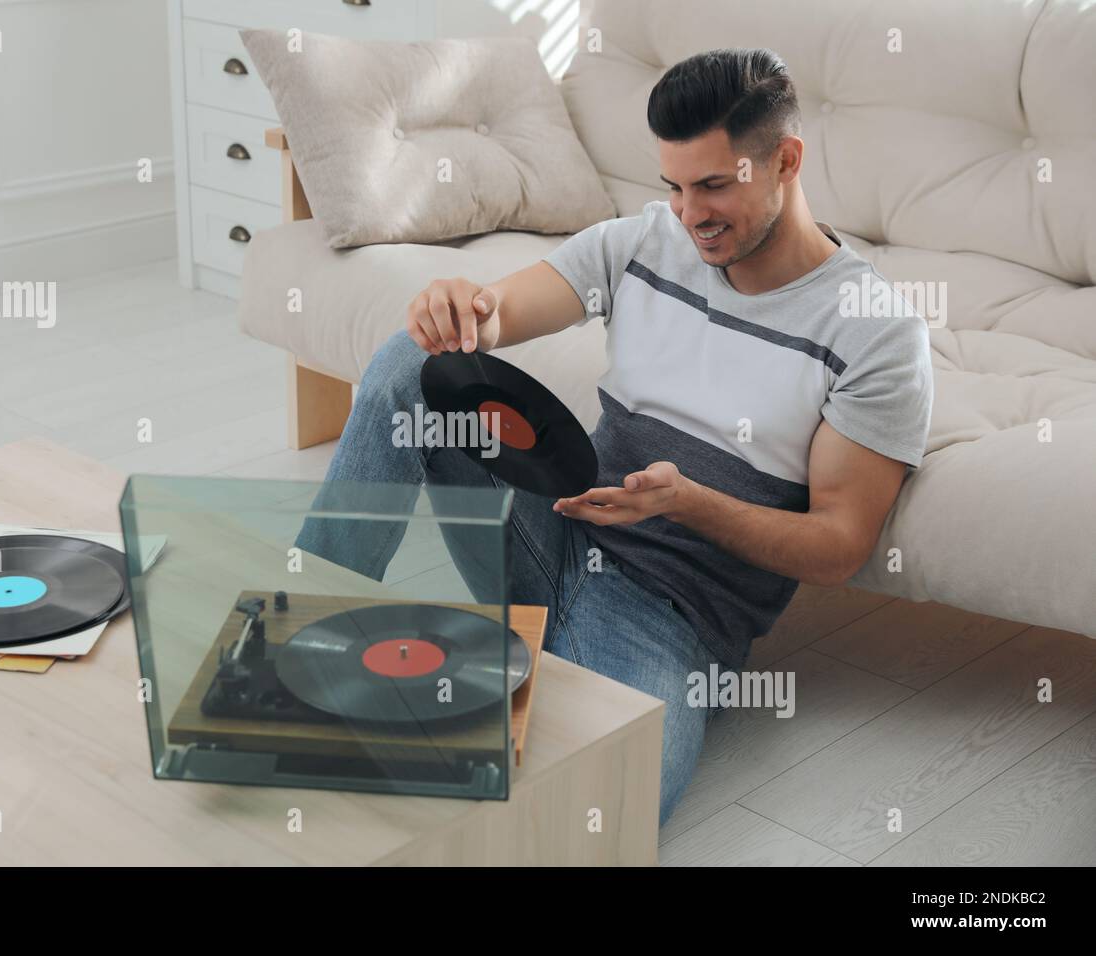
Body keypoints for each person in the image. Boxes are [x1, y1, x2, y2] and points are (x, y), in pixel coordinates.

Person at [295, 47, 934, 828]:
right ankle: (298, 644)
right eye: (673, 185)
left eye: (712, 185)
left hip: (669, 621)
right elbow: (499, 311)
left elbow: (838, 545)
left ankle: (503, 714)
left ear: (784, 161)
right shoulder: (643, 243)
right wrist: (461, 307)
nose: (691, 213)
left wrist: (692, 504)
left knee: (598, 816)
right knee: (415, 362)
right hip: (550, 534)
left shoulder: (875, 332)